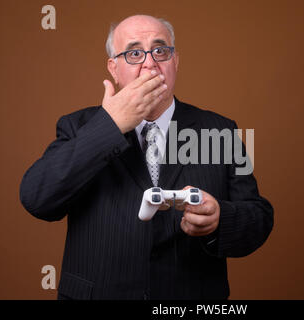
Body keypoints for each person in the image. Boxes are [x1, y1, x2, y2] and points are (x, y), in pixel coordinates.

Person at [20, 14, 274, 300]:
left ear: (175, 62)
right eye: (134, 53)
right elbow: (37, 198)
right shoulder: (77, 127)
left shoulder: (219, 130)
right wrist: (110, 125)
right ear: (113, 68)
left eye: (160, 50)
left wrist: (220, 220)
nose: (150, 63)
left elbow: (258, 217)